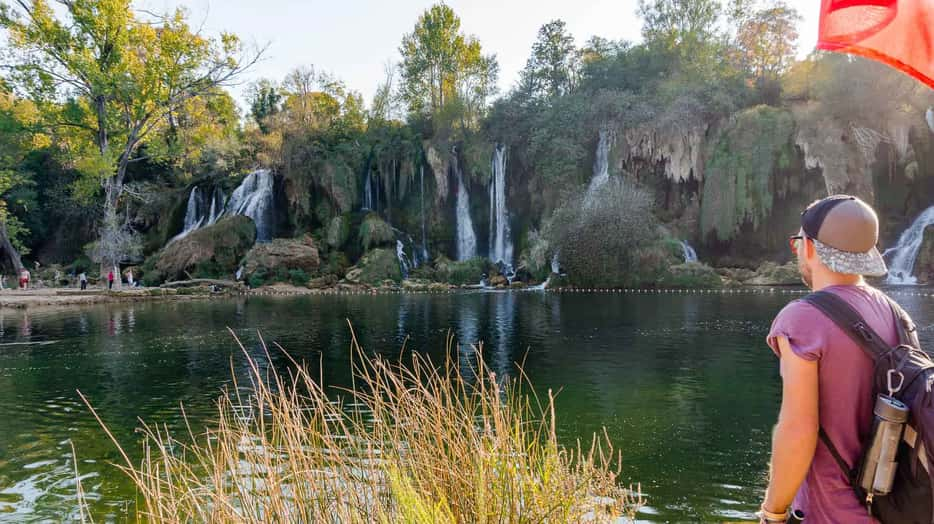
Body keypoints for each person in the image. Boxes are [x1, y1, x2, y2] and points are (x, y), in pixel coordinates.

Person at [759, 195, 899, 524]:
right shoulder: (896, 315)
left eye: (798, 243)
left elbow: (797, 430)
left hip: (832, 514)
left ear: (809, 248)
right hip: (896, 510)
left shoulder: (802, 319)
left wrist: (773, 513)